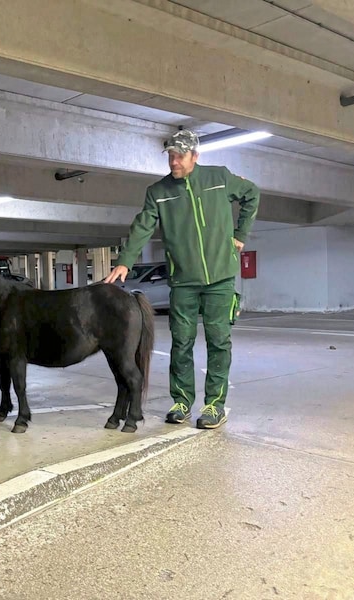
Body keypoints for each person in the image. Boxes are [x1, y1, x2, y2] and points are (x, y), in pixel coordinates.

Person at [104, 129, 260, 429]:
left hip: (220, 278)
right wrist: (125, 261)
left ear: (195, 156)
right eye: (171, 156)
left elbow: (252, 194)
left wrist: (240, 236)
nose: (174, 161)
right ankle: (182, 401)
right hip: (183, 281)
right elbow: (143, 226)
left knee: (218, 341)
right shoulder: (159, 192)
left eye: (180, 156)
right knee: (182, 342)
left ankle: (214, 405)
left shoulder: (219, 178)